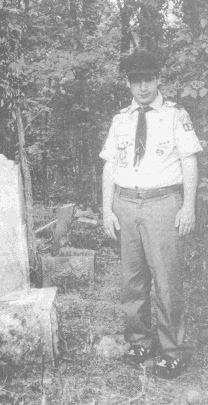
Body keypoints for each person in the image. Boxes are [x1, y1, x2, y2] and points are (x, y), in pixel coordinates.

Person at [99, 49, 202, 379]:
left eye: (148, 79)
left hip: (162, 204)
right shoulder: (121, 119)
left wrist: (187, 206)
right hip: (125, 204)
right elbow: (108, 167)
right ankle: (139, 341)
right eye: (135, 81)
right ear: (128, 83)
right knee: (132, 280)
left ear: (158, 79)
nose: (142, 87)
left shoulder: (175, 115)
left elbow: (189, 161)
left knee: (167, 279)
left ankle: (171, 349)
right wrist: (106, 210)